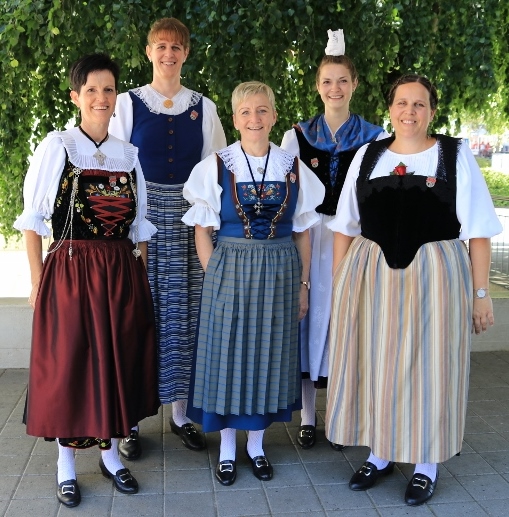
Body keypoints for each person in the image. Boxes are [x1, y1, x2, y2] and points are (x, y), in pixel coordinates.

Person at [325, 74, 503, 506]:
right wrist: (341, 285)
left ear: (432, 111)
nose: (410, 111)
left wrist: (481, 295)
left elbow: (479, 232)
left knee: (432, 367)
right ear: (390, 109)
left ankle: (426, 463)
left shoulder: (455, 155)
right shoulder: (368, 155)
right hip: (372, 277)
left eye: (419, 104)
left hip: (437, 276)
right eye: (402, 103)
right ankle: (381, 453)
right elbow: (345, 226)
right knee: (377, 363)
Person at [13, 53, 160, 508]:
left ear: (117, 97)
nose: (101, 97)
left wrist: (140, 277)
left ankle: (111, 458)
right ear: (76, 96)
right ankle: (66, 466)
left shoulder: (129, 155)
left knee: (117, 361)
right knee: (71, 367)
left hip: (120, 272)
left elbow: (140, 227)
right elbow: (33, 221)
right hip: (72, 271)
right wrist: (38, 281)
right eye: (92, 90)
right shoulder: (57, 146)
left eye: (108, 89)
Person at [182, 81, 325, 486]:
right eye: (246, 112)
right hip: (229, 269)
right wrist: (214, 275)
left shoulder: (292, 167)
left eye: (262, 110)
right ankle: (228, 448)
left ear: (274, 116)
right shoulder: (215, 165)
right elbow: (202, 229)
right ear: (235, 119)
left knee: (268, 356)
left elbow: (303, 233)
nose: (254, 119)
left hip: (280, 273)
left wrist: (303, 285)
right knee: (228, 357)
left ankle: (257, 446)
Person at [109, 17, 227, 459]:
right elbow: (114, 165)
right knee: (138, 312)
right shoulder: (127, 103)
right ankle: (130, 421)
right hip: (141, 217)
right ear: (149, 52)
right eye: (160, 46)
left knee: (186, 313)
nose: (168, 53)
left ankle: (180, 415)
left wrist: (211, 227)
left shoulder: (204, 107)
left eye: (176, 47)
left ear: (186, 53)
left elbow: (216, 168)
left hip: (189, 218)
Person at [280, 29, 388, 450]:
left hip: (354, 239)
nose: (335, 88)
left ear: (355, 84)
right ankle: (308, 417)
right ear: (317, 85)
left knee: (347, 324)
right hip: (310, 236)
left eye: (343, 80)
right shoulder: (298, 136)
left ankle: (344, 416)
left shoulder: (375, 137)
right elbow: (288, 194)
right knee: (308, 322)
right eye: (327, 81)